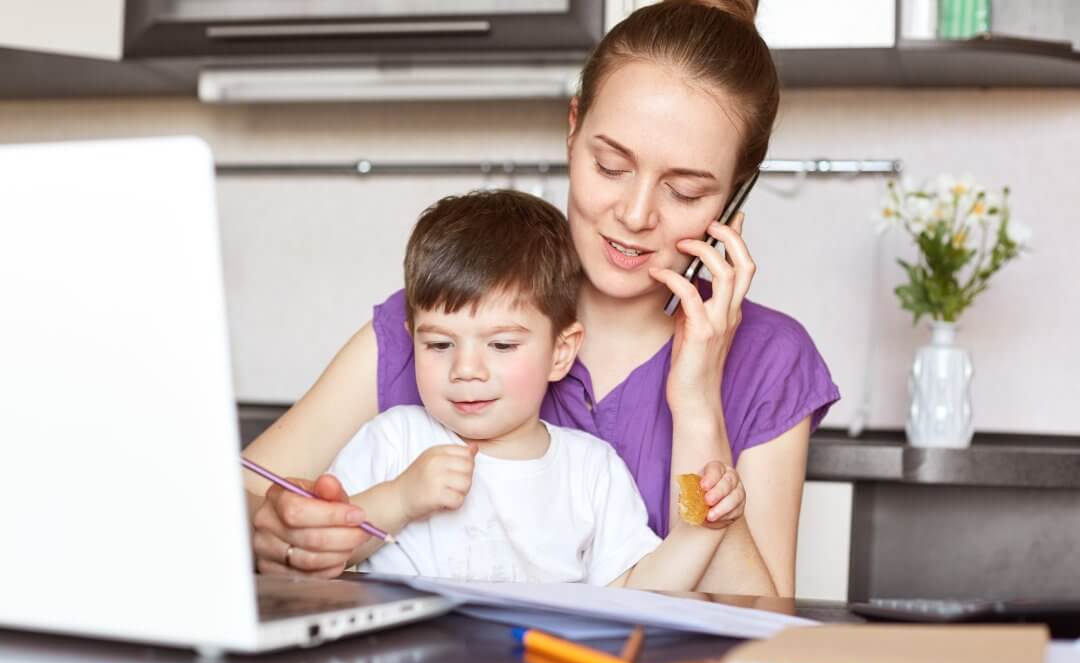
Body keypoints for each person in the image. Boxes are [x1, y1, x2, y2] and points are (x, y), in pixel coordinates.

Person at [244, 0, 839, 596]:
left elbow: (762, 629)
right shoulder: (446, 316)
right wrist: (274, 531)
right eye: (610, 166)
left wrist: (698, 402)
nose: (634, 216)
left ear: (736, 194)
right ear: (572, 127)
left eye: (684, 191)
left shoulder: (770, 359)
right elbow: (239, 495)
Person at [326, 190, 743, 587]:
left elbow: (634, 594)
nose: (465, 370)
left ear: (561, 353)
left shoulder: (591, 471)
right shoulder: (395, 441)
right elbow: (320, 549)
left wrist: (703, 532)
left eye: (502, 345)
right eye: (438, 344)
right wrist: (399, 500)